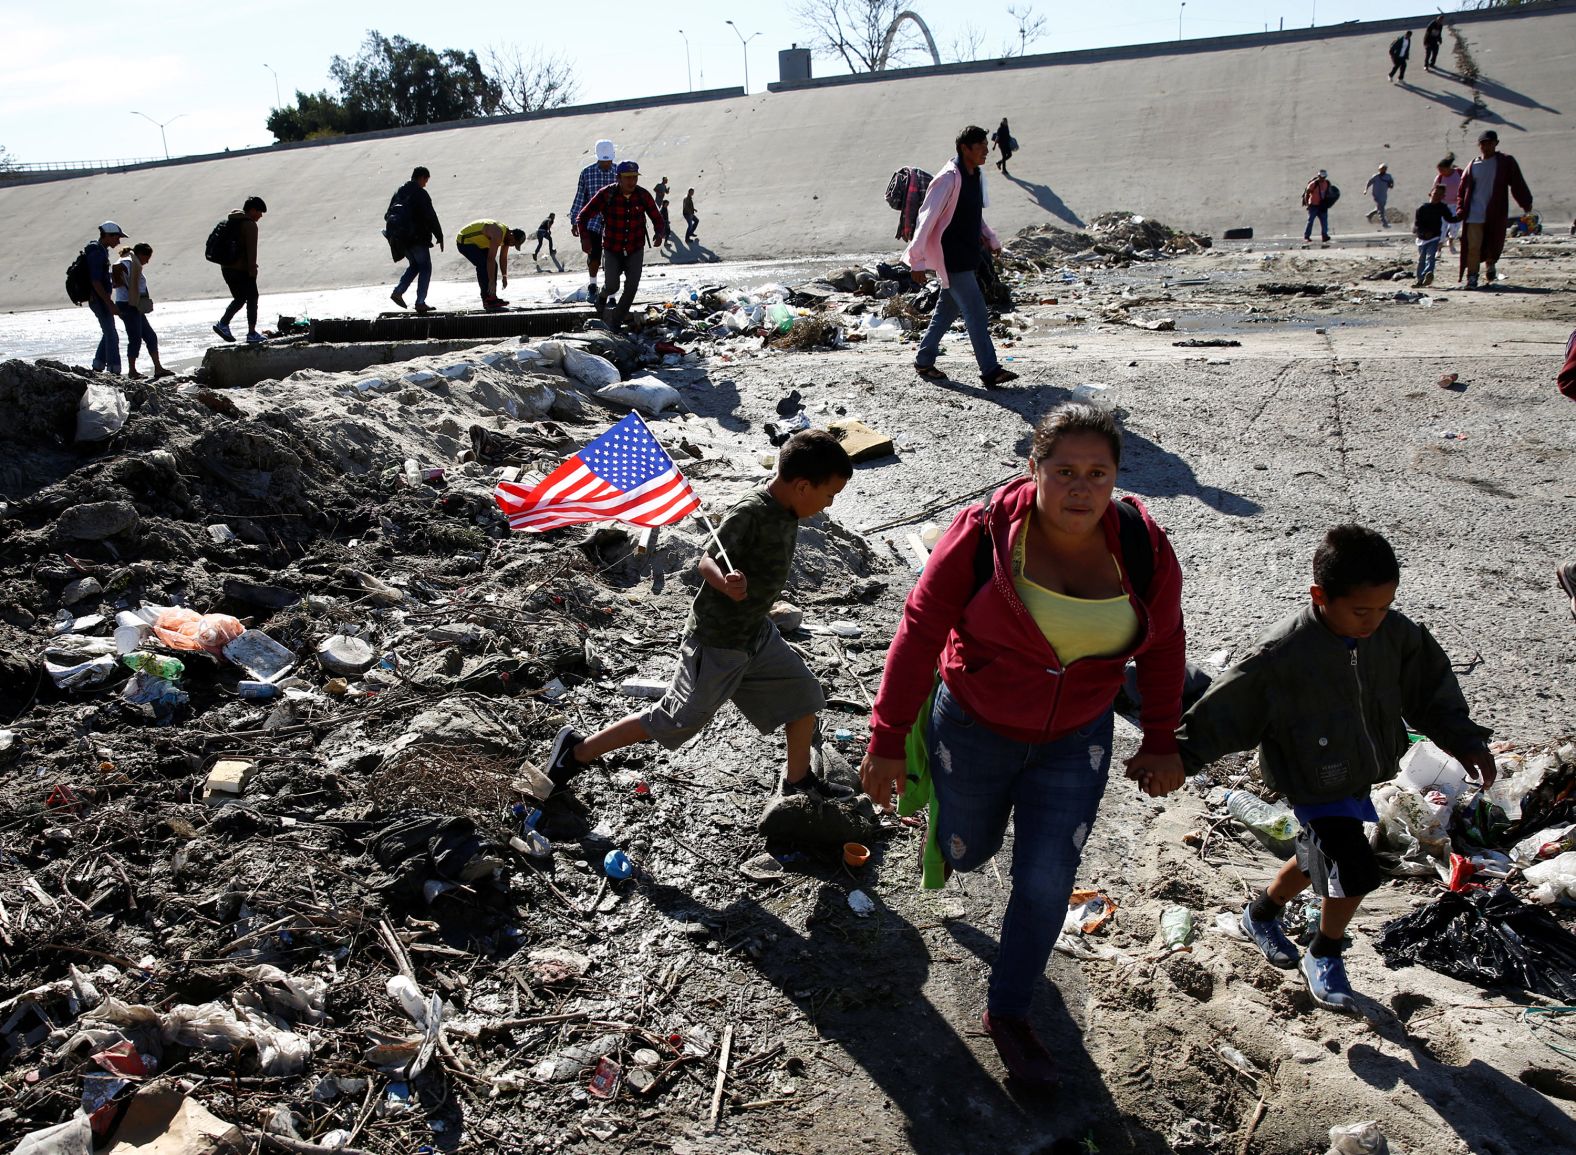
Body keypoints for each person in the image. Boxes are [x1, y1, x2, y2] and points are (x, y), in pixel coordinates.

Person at [859, 404, 1186, 1088]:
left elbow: (1164, 645)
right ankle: (945, 834)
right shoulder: (983, 535)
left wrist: (1161, 737)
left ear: (1118, 478)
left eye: (1098, 473)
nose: (1081, 488)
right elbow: (920, 629)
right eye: (1064, 470)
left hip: (1077, 739)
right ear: (1032, 469)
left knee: (1043, 882)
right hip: (975, 723)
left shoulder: (1143, 545)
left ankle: (1009, 1011)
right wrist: (887, 739)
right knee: (969, 850)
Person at [1176, 525, 1494, 1012]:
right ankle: (1324, 952)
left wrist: (1467, 742)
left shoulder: (1395, 636)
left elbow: (1430, 692)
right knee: (1353, 865)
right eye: (1361, 610)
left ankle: (1259, 914)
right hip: (1308, 773)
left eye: (1384, 607)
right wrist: (1177, 758)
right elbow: (1227, 710)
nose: (1373, 621)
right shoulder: (1283, 654)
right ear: (1320, 595)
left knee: (1316, 856)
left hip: (1358, 769)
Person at [544, 430, 856, 804]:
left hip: (755, 632)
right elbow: (706, 559)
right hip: (718, 640)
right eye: (829, 495)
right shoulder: (751, 512)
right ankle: (576, 751)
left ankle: (798, 780)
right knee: (676, 719)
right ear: (803, 486)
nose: (829, 505)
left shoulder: (789, 508)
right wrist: (724, 582)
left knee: (805, 696)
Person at [907, 125, 1019, 388]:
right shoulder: (947, 178)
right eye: (979, 147)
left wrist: (990, 238)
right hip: (951, 256)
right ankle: (990, 370)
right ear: (964, 148)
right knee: (977, 311)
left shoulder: (974, 176)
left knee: (947, 309)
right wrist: (916, 261)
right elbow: (926, 219)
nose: (985, 152)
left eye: (984, 146)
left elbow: (973, 215)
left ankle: (924, 359)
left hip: (969, 253)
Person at [575, 160, 665, 331]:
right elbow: (582, 216)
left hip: (635, 247)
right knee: (612, 286)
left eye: (634, 177)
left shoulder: (643, 195)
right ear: (618, 178)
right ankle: (602, 296)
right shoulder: (606, 194)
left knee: (631, 288)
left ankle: (614, 322)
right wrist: (584, 238)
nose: (632, 181)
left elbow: (658, 219)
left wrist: (659, 233)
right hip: (612, 248)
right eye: (627, 178)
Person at [1456, 129, 1533, 290]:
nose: (1486, 146)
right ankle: (1472, 277)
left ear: (1496, 143)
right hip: (1474, 214)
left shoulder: (1505, 162)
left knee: (1493, 243)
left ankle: (1490, 264)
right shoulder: (1472, 165)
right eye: (1483, 143)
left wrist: (1526, 203)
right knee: (1473, 246)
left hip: (1495, 213)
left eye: (1490, 143)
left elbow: (1517, 183)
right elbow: (1462, 191)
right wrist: (1460, 209)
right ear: (1479, 145)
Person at [387, 167, 443, 314]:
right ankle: (420, 302)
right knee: (425, 266)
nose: (425, 184)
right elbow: (430, 215)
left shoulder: (399, 192)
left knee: (415, 265)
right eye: (426, 180)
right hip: (416, 238)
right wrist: (439, 235)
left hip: (399, 238)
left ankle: (398, 292)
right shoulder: (420, 193)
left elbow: (387, 214)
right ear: (421, 178)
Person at [112, 243, 171, 379]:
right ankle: (132, 371)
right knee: (135, 338)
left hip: (134, 305)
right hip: (127, 305)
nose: (147, 261)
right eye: (147, 257)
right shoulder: (128, 261)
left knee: (150, 336)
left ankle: (158, 368)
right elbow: (116, 268)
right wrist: (117, 281)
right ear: (140, 254)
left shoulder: (132, 261)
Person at [213, 196, 267, 344]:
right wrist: (252, 271)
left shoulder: (232, 221)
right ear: (252, 210)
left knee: (240, 298)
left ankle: (223, 324)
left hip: (226, 268)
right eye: (259, 212)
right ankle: (251, 333)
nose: (260, 216)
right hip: (242, 269)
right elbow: (251, 250)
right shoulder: (249, 225)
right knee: (252, 298)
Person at [570, 139, 618, 302]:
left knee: (613, 258)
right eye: (603, 161)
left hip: (614, 220)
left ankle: (611, 292)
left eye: (608, 160)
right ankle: (592, 285)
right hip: (592, 220)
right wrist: (575, 220)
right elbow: (580, 197)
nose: (606, 164)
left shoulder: (619, 172)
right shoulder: (587, 173)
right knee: (594, 255)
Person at [84, 222, 127, 374]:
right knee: (112, 334)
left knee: (108, 332)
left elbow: (99, 278)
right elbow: (95, 281)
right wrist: (109, 303)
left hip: (100, 298)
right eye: (117, 237)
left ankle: (98, 365)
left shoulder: (101, 250)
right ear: (108, 236)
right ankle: (114, 370)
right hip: (99, 300)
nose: (119, 241)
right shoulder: (97, 252)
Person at [455, 220, 526, 309]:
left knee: (493, 266)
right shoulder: (498, 234)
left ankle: (492, 297)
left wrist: (504, 276)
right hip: (465, 241)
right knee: (484, 264)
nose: (512, 245)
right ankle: (487, 300)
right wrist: (491, 281)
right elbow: (490, 259)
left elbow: (503, 258)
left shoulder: (507, 238)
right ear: (511, 234)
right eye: (513, 243)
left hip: (479, 243)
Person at [1411, 184, 1457, 288]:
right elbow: (1418, 225)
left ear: (1443, 197)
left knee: (1431, 257)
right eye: (1436, 193)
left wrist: (1461, 216)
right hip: (1422, 238)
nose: (1437, 196)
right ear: (1430, 194)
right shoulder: (1422, 208)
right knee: (1421, 259)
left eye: (1440, 195)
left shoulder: (1442, 207)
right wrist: (1423, 233)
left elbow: (1450, 219)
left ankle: (1428, 274)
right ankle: (1420, 279)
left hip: (1435, 237)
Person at [1434, 153, 1464, 253]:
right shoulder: (1439, 178)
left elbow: (1467, 185)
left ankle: (1451, 242)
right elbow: (1434, 191)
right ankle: (1438, 249)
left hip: (1457, 204)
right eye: (1439, 170)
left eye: (1442, 170)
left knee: (1455, 227)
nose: (1440, 172)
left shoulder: (1459, 173)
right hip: (1443, 205)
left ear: (1448, 168)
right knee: (1442, 227)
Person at [1302, 169, 1333, 244]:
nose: (1323, 178)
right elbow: (1307, 193)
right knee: (1310, 221)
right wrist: (1307, 204)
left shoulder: (1327, 183)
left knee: (1324, 222)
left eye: (1324, 177)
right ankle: (1307, 236)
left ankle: (1324, 236)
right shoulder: (1313, 184)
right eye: (1321, 177)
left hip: (1322, 205)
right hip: (1313, 205)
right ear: (1318, 176)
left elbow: (1328, 193)